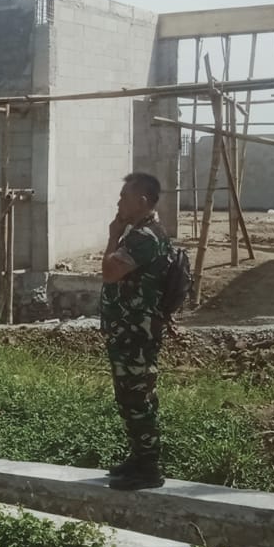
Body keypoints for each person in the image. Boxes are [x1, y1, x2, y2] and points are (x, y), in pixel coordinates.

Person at [101, 172, 172, 490]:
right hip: (129, 329)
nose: (119, 203)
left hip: (136, 332)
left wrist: (113, 235)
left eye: (124, 197)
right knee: (129, 396)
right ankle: (139, 458)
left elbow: (109, 272)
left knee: (137, 397)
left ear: (142, 202)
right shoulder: (141, 233)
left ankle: (149, 468)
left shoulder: (145, 237)